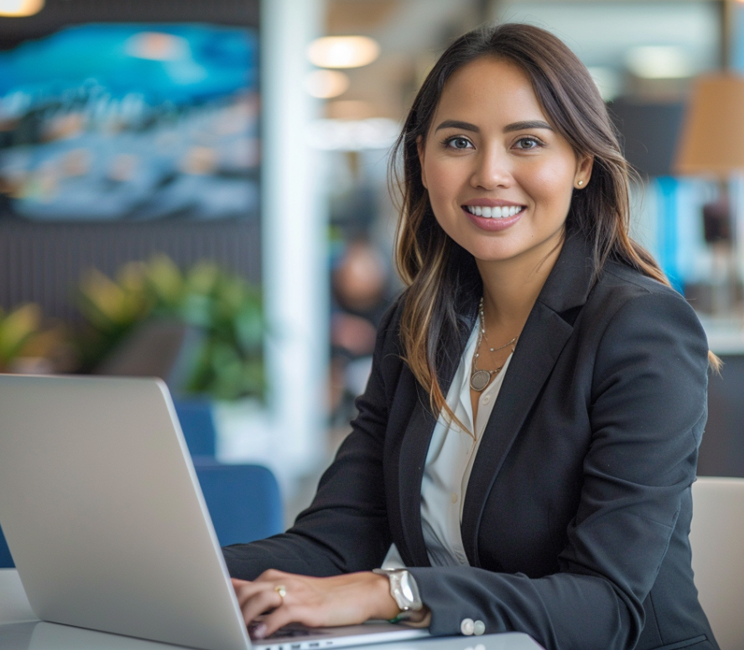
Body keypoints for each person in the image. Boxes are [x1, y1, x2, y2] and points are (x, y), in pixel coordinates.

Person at [224, 23, 719, 650]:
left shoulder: (641, 328)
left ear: (582, 164)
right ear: (421, 162)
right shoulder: (420, 322)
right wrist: (188, 572)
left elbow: (606, 605)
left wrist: (392, 591)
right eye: (458, 141)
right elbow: (335, 538)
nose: (489, 173)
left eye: (527, 143)